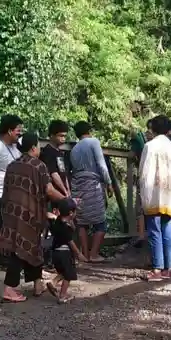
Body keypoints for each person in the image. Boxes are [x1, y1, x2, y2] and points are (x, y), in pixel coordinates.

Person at [0, 132, 68, 303]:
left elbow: (5, 190)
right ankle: (9, 288)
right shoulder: (39, 166)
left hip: (11, 213)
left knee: (32, 247)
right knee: (20, 248)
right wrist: (66, 200)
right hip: (30, 214)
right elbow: (49, 190)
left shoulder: (12, 165)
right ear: (34, 147)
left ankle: (37, 284)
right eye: (39, 146)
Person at [140, 115, 171, 282]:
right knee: (167, 231)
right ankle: (167, 269)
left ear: (153, 129)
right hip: (169, 196)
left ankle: (156, 269)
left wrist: (143, 194)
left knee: (154, 231)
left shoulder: (149, 147)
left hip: (153, 194)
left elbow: (144, 173)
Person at [70, 120, 113, 262]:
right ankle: (94, 254)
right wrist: (109, 183)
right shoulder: (93, 142)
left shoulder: (74, 149)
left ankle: (85, 255)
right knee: (101, 222)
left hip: (77, 186)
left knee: (81, 222)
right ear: (89, 131)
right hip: (92, 185)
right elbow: (101, 165)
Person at [46, 198, 87, 304]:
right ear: (70, 213)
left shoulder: (58, 222)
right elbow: (70, 242)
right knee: (68, 275)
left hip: (55, 252)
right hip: (64, 253)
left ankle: (53, 282)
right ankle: (62, 296)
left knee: (63, 272)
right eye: (75, 211)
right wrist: (78, 254)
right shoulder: (66, 228)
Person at [41, 120, 71, 199]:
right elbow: (54, 174)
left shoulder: (60, 152)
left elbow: (64, 173)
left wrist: (68, 190)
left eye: (65, 136)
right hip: (54, 194)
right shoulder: (47, 151)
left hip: (63, 193)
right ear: (52, 135)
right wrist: (65, 191)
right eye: (60, 136)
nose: (63, 139)